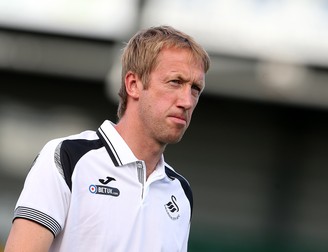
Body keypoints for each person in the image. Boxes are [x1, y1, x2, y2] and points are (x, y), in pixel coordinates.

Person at [5, 25, 210, 252]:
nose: (187, 101)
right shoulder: (68, 158)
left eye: (195, 88)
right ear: (133, 85)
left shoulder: (180, 192)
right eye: (175, 82)